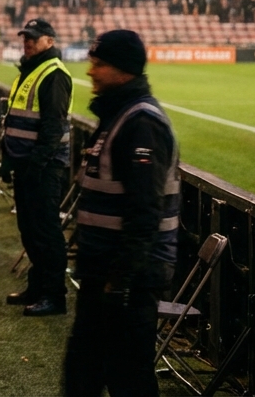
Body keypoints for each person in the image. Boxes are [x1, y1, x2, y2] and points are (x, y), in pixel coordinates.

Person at [65, 30, 180, 397]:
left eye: (99, 64)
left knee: (126, 376)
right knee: (85, 370)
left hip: (127, 278)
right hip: (106, 273)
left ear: (124, 70)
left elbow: (145, 211)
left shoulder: (140, 123)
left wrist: (122, 281)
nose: (90, 72)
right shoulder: (119, 115)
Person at [3, 18, 73, 317]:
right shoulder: (30, 69)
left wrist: (36, 164)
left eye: (33, 37)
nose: (27, 41)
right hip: (27, 165)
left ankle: (54, 295)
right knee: (29, 229)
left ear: (49, 41)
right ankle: (38, 286)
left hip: (43, 167)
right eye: (25, 37)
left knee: (46, 231)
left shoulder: (53, 73)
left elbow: (52, 128)